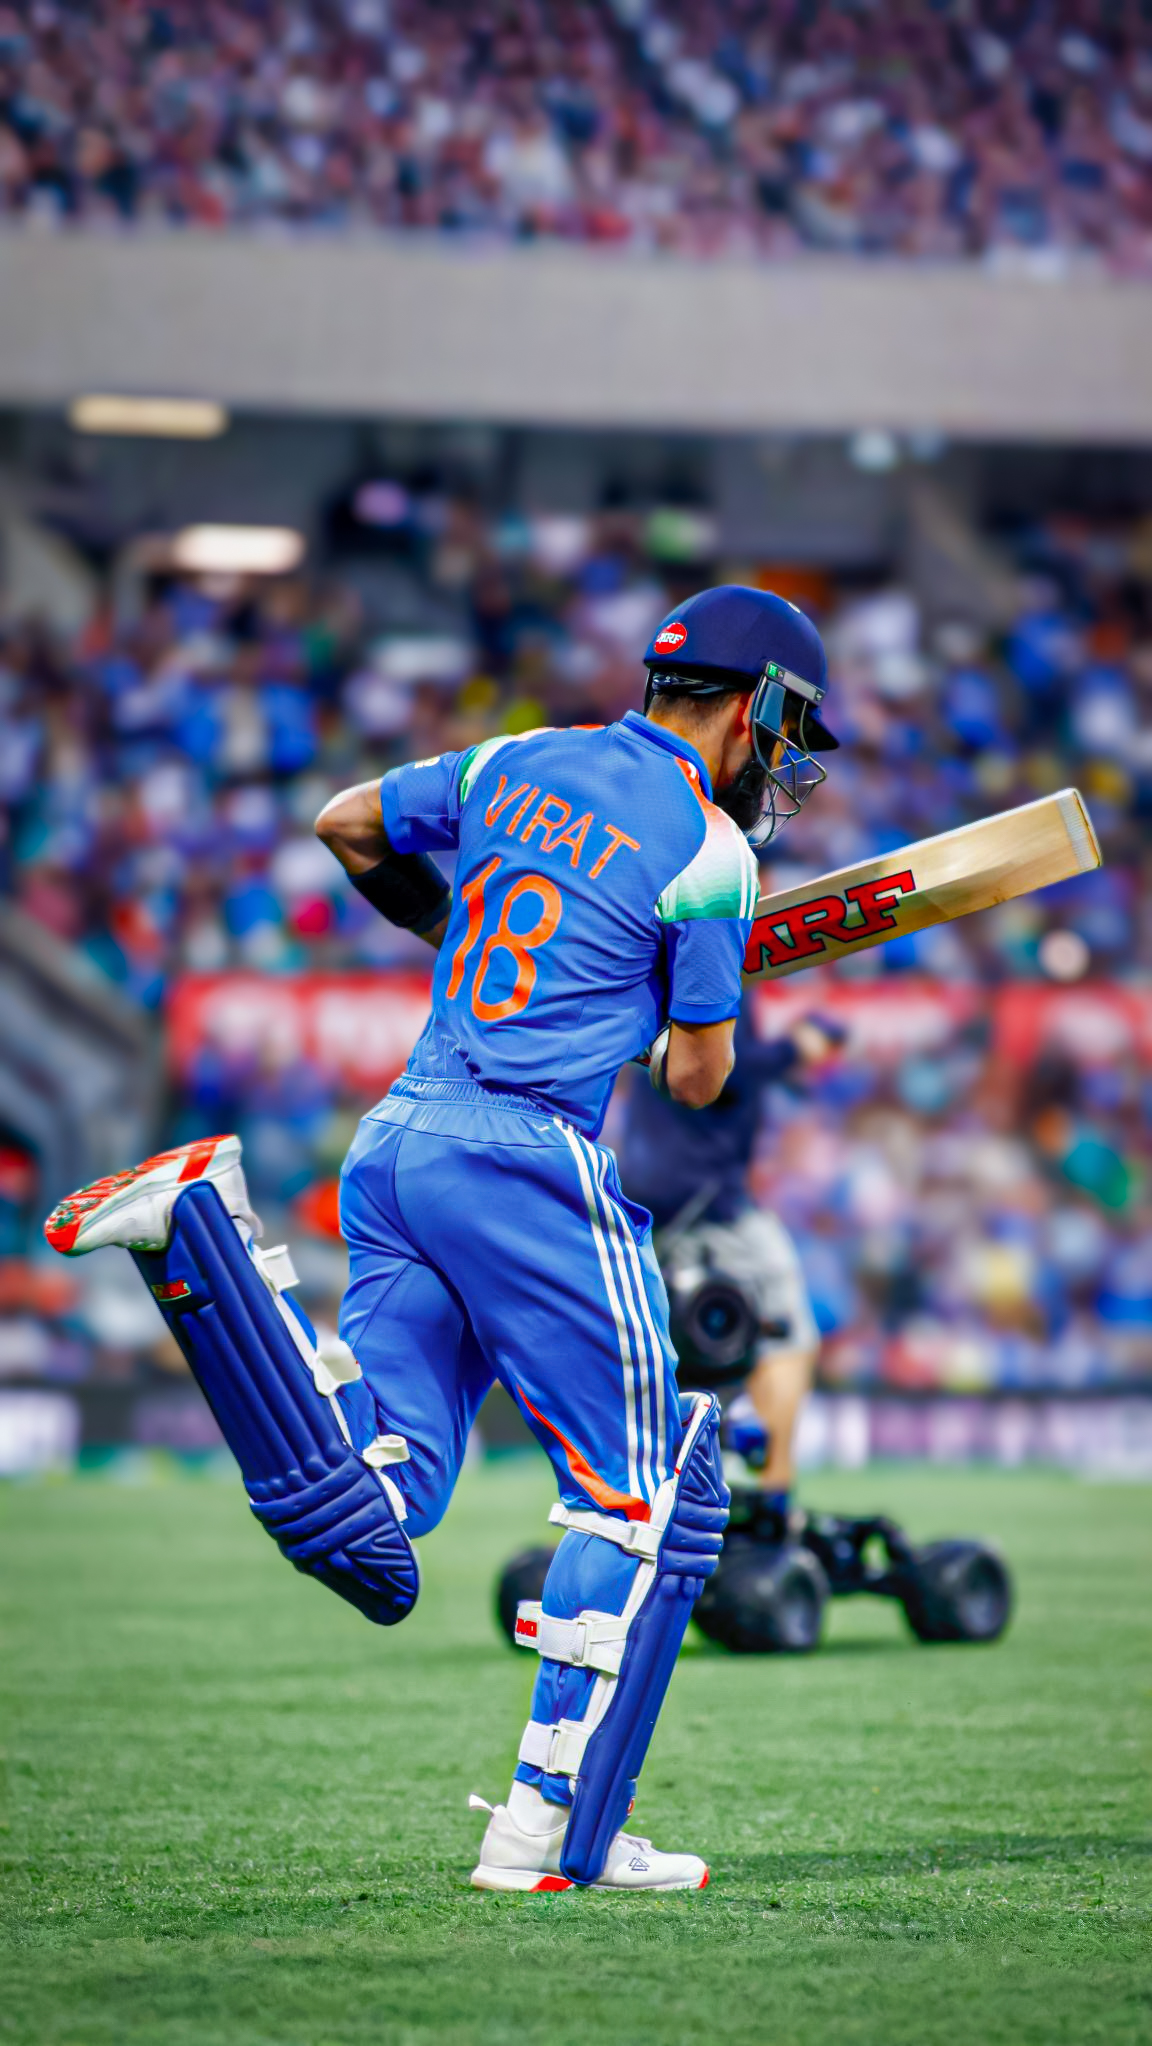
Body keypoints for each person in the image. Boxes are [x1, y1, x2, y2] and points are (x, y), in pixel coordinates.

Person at [44, 583, 837, 1894]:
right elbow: (699, 1081)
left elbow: (345, 820)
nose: (789, 757)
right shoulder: (710, 851)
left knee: (383, 1498)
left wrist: (444, 922)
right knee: (648, 1495)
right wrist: (670, 1006)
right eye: (791, 725)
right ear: (754, 705)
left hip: (401, 1140)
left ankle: (196, 1247)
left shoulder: (513, 760)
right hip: (525, 1160)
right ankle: (549, 1834)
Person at [618, 1000, 843, 1521]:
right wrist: (794, 1048)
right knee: (788, 1337)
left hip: (644, 1208)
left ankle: (648, 1496)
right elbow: (713, 1065)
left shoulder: (652, 978)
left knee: (674, 1355)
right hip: (708, 1206)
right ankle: (771, 1500)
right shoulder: (713, 962)